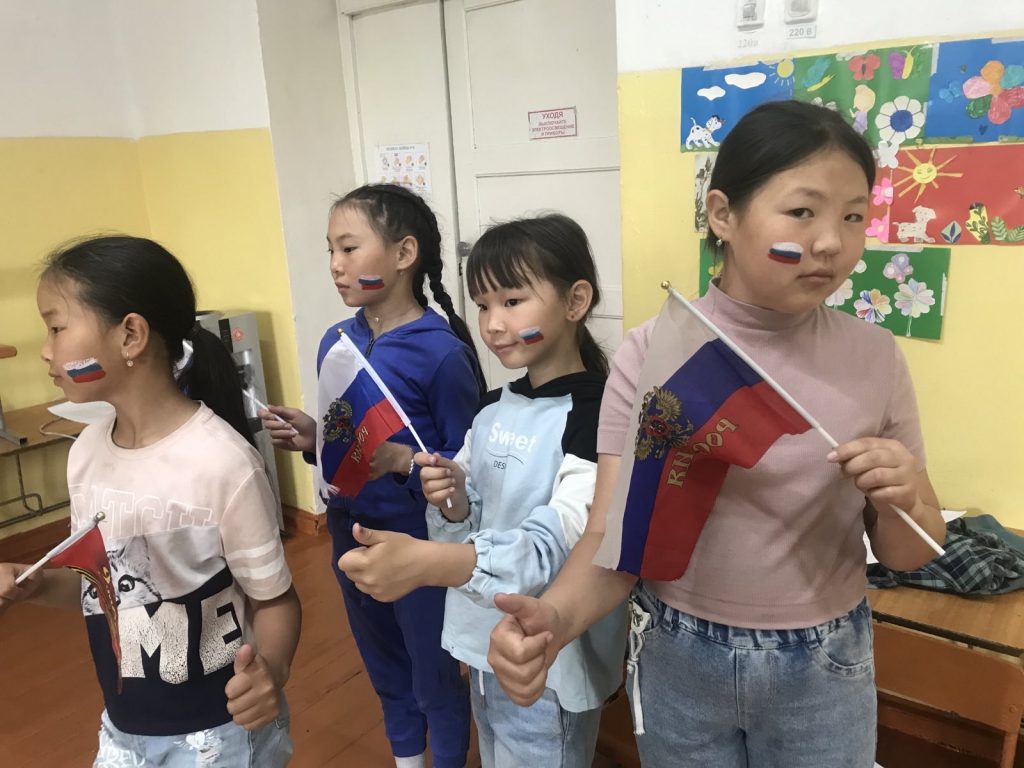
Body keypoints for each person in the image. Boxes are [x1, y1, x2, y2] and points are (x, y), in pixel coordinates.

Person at [487, 100, 946, 768]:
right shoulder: (656, 354)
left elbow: (909, 552)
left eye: (854, 217)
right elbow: (612, 538)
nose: (830, 242)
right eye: (803, 211)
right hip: (677, 650)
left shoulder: (875, 358)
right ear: (723, 215)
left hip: (824, 661)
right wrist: (554, 618)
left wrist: (900, 495)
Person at [338, 213, 627, 768]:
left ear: (575, 301)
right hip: (482, 645)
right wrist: (451, 500)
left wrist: (426, 564)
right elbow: (464, 524)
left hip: (545, 658)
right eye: (483, 304)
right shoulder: (493, 407)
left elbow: (559, 548)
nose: (493, 324)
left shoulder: (598, 416)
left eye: (513, 301)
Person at [0, 235, 299, 766]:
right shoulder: (85, 454)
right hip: (125, 732)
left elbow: (275, 601)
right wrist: (35, 583)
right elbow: (103, 585)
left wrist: (270, 672)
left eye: (57, 328)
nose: (46, 350)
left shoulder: (222, 464)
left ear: (131, 335)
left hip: (220, 736)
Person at [261, 184, 481, 768]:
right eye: (330, 250)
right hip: (348, 532)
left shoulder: (441, 353)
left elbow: (468, 470)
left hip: (418, 543)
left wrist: (405, 462)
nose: (336, 265)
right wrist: (315, 439)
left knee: (434, 675)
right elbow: (346, 444)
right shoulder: (336, 342)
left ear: (404, 253)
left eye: (350, 248)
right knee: (385, 667)